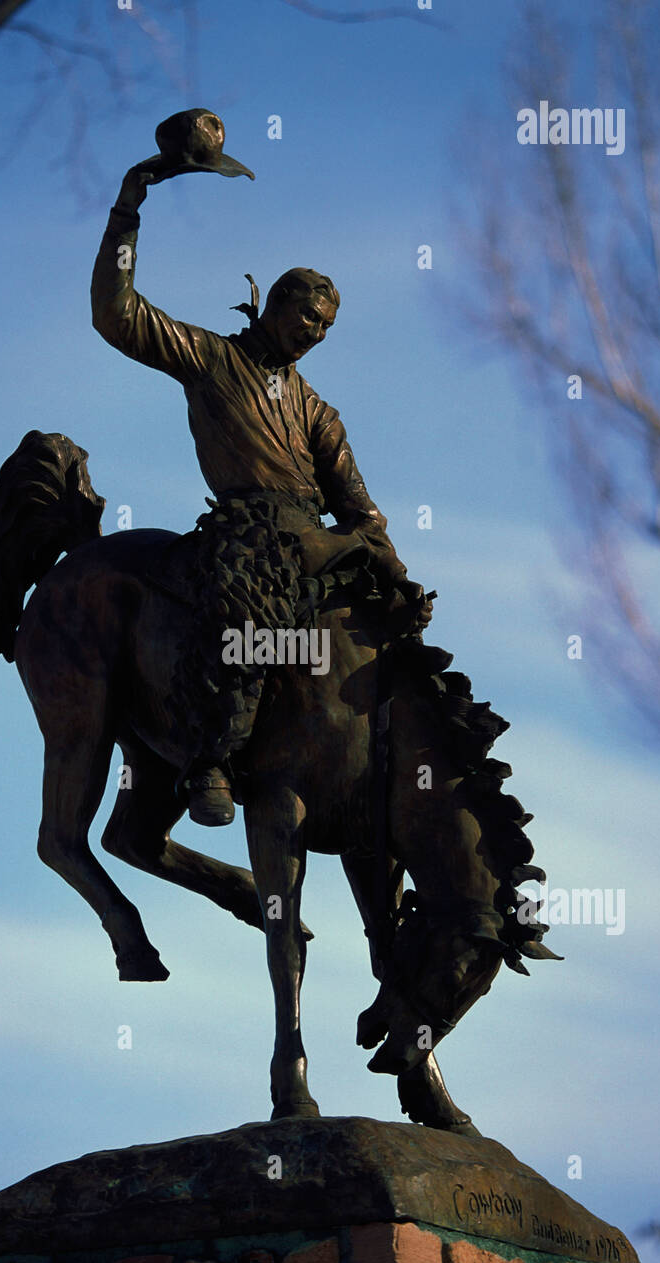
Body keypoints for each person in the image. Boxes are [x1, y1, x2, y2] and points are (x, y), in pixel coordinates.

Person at [91, 116, 427, 827]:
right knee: (246, 614)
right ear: (275, 305)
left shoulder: (319, 412)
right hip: (247, 536)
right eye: (307, 317)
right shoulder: (211, 358)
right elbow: (117, 313)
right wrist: (130, 208)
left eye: (326, 327)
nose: (315, 333)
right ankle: (212, 754)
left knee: (395, 640)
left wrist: (393, 573)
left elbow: (361, 510)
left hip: (319, 542)